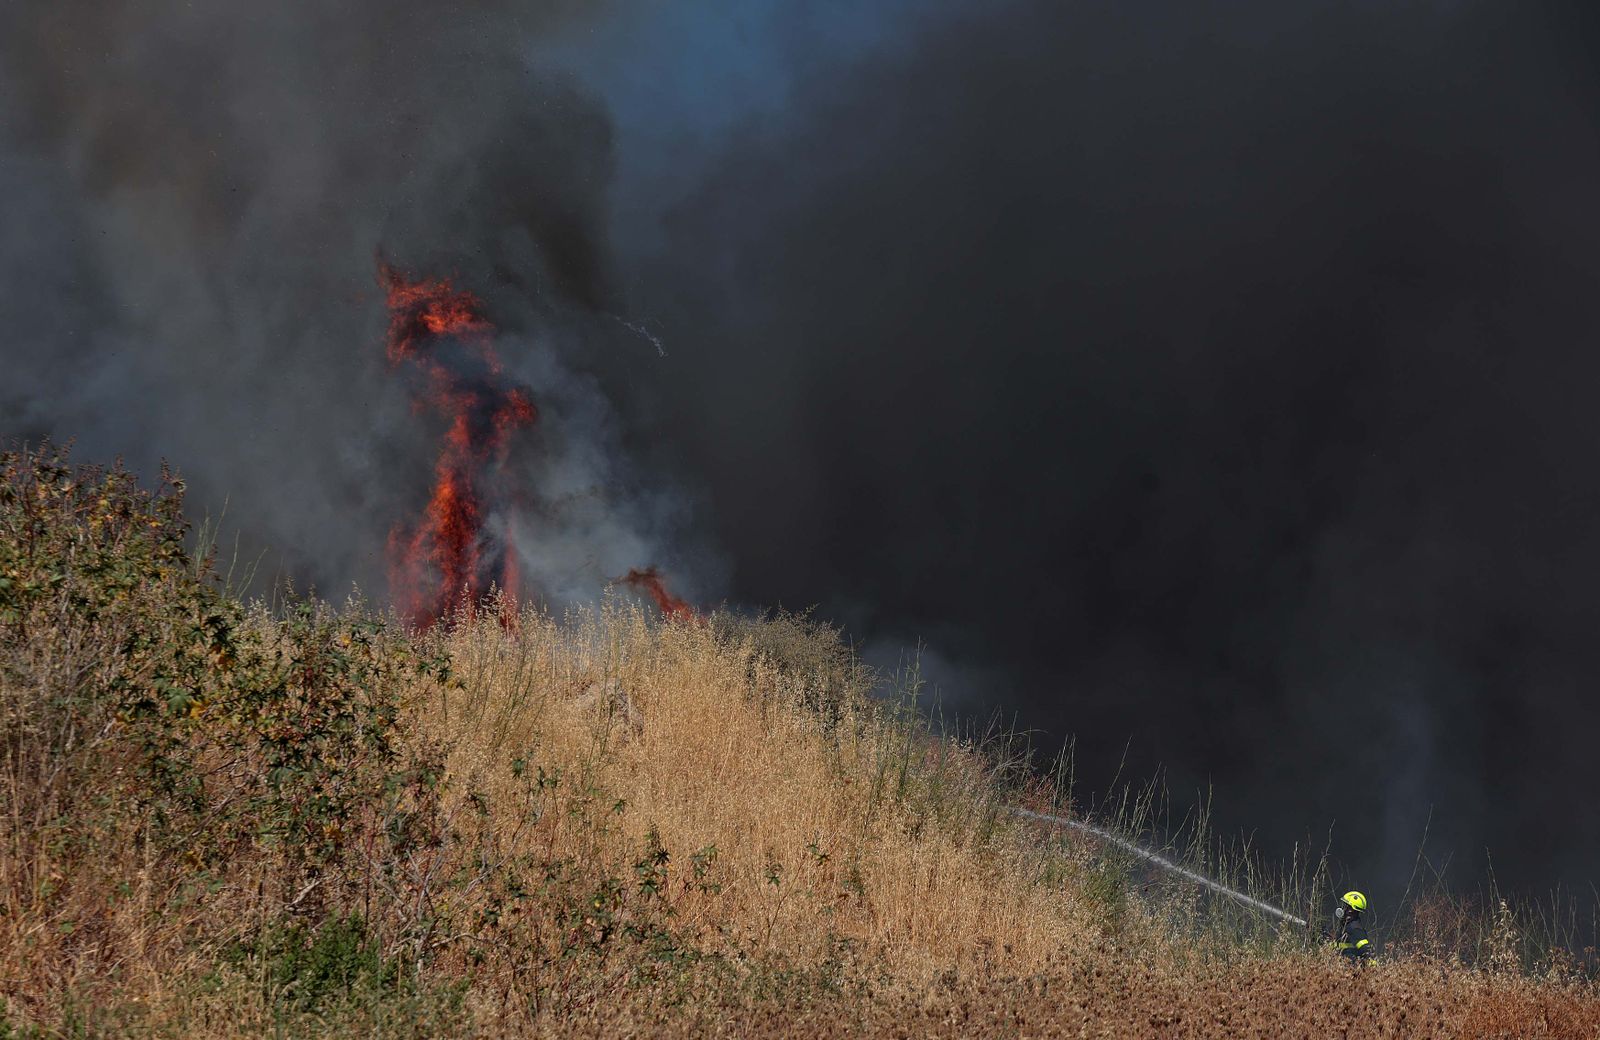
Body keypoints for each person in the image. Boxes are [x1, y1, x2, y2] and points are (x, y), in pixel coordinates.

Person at [1329, 890, 1373, 962]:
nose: (1342, 908)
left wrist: (1373, 971)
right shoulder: (1347, 926)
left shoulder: (1355, 929)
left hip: (1351, 969)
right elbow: (1341, 945)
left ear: (1350, 910)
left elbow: (1366, 951)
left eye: (1345, 906)